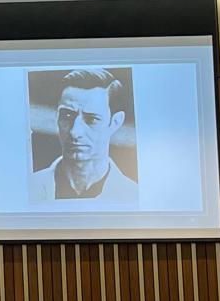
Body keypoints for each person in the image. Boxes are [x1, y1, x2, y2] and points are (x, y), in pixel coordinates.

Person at [28, 68, 138, 203]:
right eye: (67, 116)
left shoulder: (134, 197)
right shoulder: (27, 189)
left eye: (92, 119)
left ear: (115, 122)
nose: (75, 132)